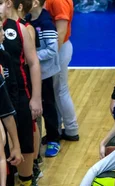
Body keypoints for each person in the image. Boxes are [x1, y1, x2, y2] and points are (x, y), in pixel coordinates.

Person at [1, 0, 43, 186]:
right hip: (2, 98)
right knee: (4, 149)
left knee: (25, 146)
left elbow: (34, 63)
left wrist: (36, 97)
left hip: (20, 96)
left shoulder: (20, 29)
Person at [27, 0, 61, 158]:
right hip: (33, 71)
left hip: (46, 73)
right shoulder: (27, 19)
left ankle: (54, 138)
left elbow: (52, 49)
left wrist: (32, 57)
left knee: (48, 105)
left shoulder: (46, 22)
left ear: (35, 3)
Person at [45, 0, 78, 140]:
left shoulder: (58, 1)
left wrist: (53, 55)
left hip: (59, 49)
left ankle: (71, 129)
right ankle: (59, 128)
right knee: (57, 90)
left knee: (60, 90)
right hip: (59, 48)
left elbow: (61, 30)